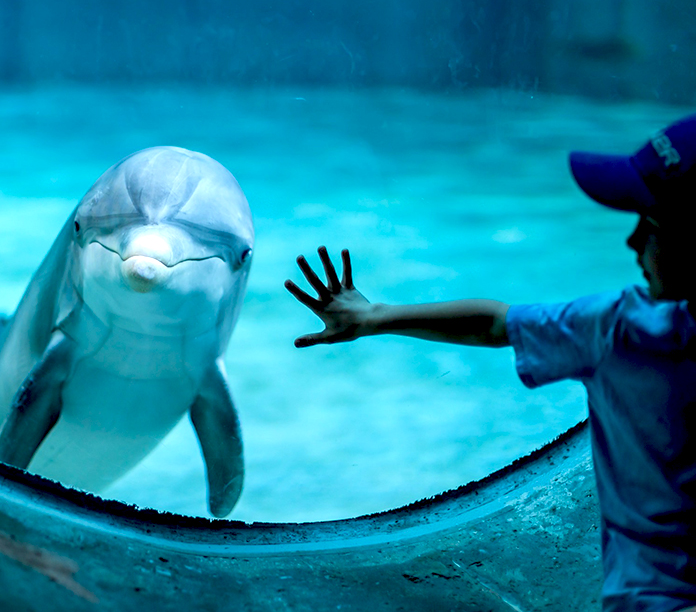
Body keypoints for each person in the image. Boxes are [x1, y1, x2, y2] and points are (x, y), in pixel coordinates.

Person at [285, 113, 696, 612]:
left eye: (650, 225)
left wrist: (375, 316)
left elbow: (492, 324)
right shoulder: (614, 326)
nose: (632, 241)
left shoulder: (616, 329)